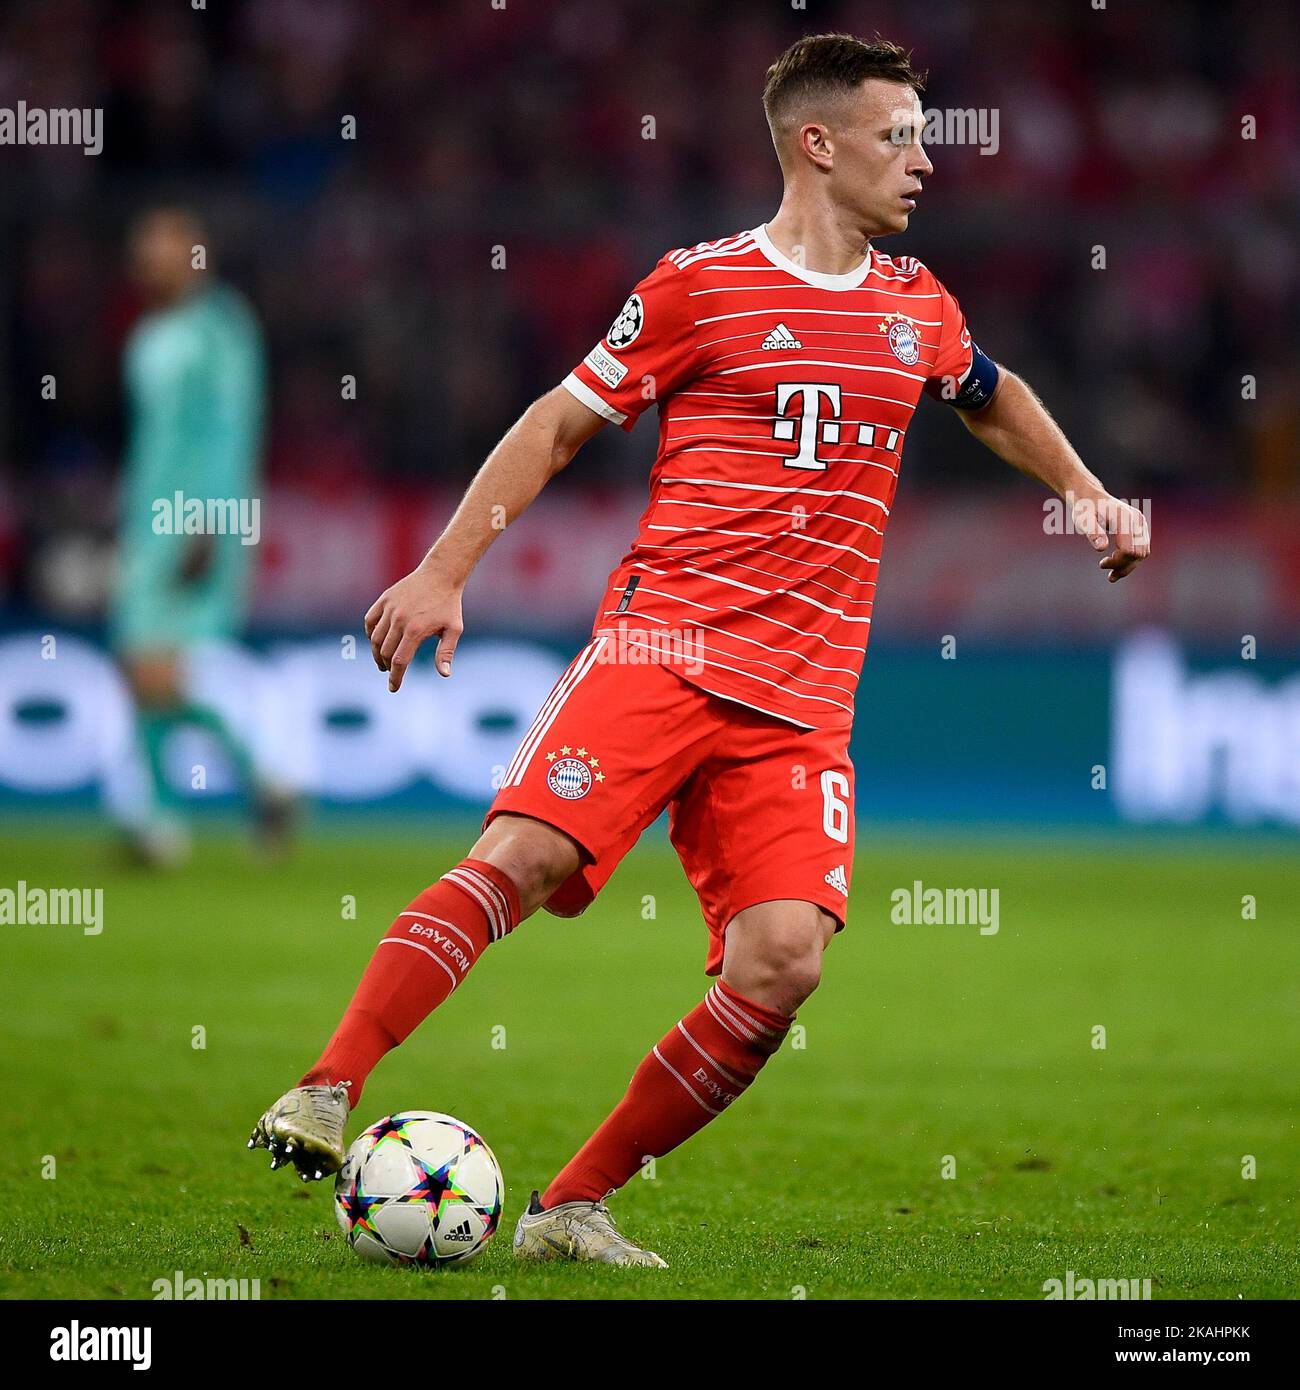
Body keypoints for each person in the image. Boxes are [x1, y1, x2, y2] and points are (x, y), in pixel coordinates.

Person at [249, 33, 1148, 1267]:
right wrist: (445, 568)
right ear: (817, 145)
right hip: (661, 651)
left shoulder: (915, 304)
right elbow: (559, 420)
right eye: (900, 135)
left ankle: (571, 1205)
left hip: (802, 703)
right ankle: (326, 1085)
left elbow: (985, 389)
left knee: (782, 966)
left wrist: (1084, 489)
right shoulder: (698, 285)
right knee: (521, 851)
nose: (925, 161)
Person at [106, 208, 287, 862]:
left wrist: (210, 520)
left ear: (196, 254)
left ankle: (171, 820)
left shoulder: (220, 329)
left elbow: (231, 431)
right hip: (148, 520)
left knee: (151, 666)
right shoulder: (151, 332)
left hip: (196, 521)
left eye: (161, 245)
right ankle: (238, 793)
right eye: (141, 246)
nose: (147, 258)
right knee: (142, 671)